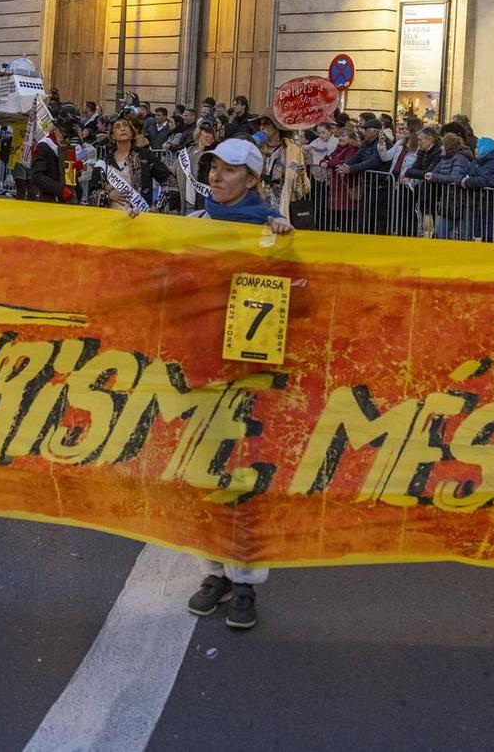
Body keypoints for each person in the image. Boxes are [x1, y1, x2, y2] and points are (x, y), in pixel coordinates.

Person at [166, 136, 291, 631]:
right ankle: (212, 571)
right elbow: (162, 283)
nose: (217, 176)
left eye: (230, 169)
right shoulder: (192, 224)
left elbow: (301, 303)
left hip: (250, 375)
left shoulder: (273, 231)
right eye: (213, 166)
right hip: (198, 366)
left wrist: (283, 248)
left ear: (254, 178)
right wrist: (131, 232)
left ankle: (245, 583)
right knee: (202, 472)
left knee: (244, 478)